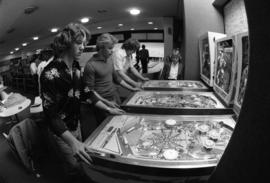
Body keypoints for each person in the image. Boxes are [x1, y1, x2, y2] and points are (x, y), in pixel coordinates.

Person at [40, 23, 92, 179]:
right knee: (74, 168)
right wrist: (72, 142)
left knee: (81, 163)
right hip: (62, 132)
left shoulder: (76, 66)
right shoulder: (50, 73)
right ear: (67, 43)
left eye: (84, 43)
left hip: (76, 123)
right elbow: (51, 115)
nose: (83, 47)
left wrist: (107, 107)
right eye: (79, 43)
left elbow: (85, 92)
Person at [83, 33, 139, 125]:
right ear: (101, 48)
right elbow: (90, 91)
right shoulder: (90, 65)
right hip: (102, 103)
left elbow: (117, 79)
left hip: (114, 97)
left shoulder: (109, 60)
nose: (112, 51)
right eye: (109, 48)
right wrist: (106, 103)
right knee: (107, 127)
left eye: (112, 48)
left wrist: (132, 88)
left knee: (120, 123)